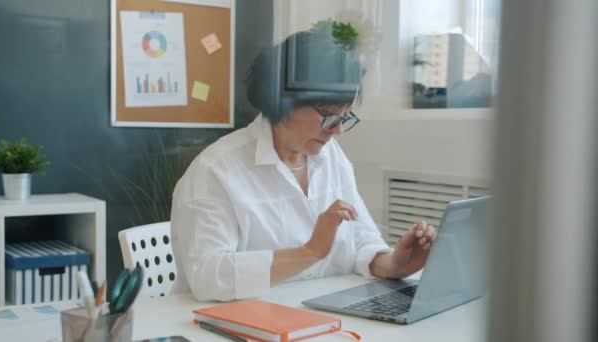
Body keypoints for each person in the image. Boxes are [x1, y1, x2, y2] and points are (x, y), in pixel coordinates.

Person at [170, 31, 436, 301]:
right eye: (330, 116)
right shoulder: (215, 170)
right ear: (283, 103)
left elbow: (360, 239)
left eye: (345, 116)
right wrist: (309, 252)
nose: (338, 131)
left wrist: (395, 263)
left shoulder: (331, 157)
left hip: (318, 318)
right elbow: (207, 276)